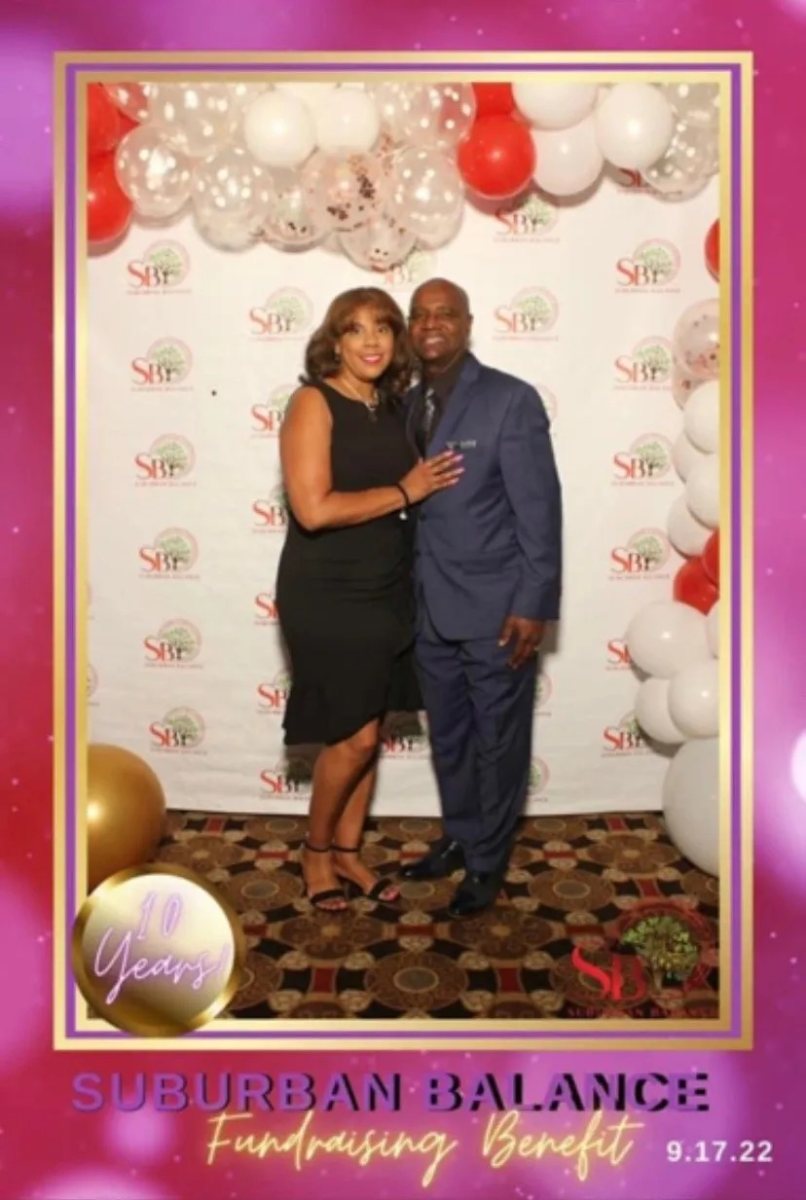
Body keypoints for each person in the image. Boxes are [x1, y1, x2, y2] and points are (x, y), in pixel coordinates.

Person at [276, 287, 464, 911]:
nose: (372, 341)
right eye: (355, 330)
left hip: (389, 586)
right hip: (328, 589)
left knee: (370, 728)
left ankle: (350, 854)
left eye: (383, 327)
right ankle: (316, 851)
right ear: (334, 343)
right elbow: (313, 508)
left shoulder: (394, 407)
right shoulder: (314, 402)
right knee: (352, 737)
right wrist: (407, 490)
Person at [400, 278, 562, 918]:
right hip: (427, 608)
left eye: (445, 313)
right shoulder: (406, 404)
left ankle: (488, 862)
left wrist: (533, 603)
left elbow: (539, 511)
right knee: (450, 738)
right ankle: (461, 837)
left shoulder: (509, 400)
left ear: (468, 323)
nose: (431, 324)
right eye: (420, 315)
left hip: (498, 610)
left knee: (498, 741)